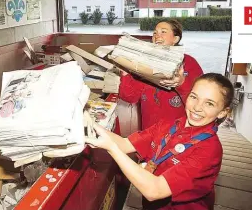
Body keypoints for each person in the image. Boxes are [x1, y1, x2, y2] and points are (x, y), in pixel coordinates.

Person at [86, 73, 234, 210]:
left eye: (209, 103)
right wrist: (89, 122)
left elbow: (154, 190)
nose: (197, 107)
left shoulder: (209, 150)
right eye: (194, 97)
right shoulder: (169, 125)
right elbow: (125, 144)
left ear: (222, 112)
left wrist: (112, 149)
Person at [119, 19, 203, 130]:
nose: (157, 36)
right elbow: (129, 97)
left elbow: (200, 103)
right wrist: (125, 72)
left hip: (178, 133)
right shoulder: (144, 63)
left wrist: (181, 83)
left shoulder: (190, 63)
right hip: (149, 131)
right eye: (154, 33)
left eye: (163, 32)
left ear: (175, 39)